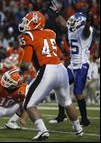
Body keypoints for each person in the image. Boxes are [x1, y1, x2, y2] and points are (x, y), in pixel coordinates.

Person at [18, 11, 83, 140]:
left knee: (28, 104)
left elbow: (25, 64)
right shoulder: (49, 33)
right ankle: (78, 128)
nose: (24, 24)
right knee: (67, 102)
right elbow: (59, 55)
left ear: (35, 22)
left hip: (47, 70)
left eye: (27, 21)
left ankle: (43, 131)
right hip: (61, 68)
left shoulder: (28, 36)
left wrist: (20, 73)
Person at [48, 0, 93, 126]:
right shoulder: (72, 29)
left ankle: (85, 119)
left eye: (74, 22)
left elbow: (86, 32)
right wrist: (56, 13)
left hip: (82, 65)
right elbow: (62, 23)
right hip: (72, 64)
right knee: (59, 85)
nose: (70, 23)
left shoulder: (86, 30)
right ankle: (61, 115)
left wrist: (88, 21)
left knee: (77, 92)